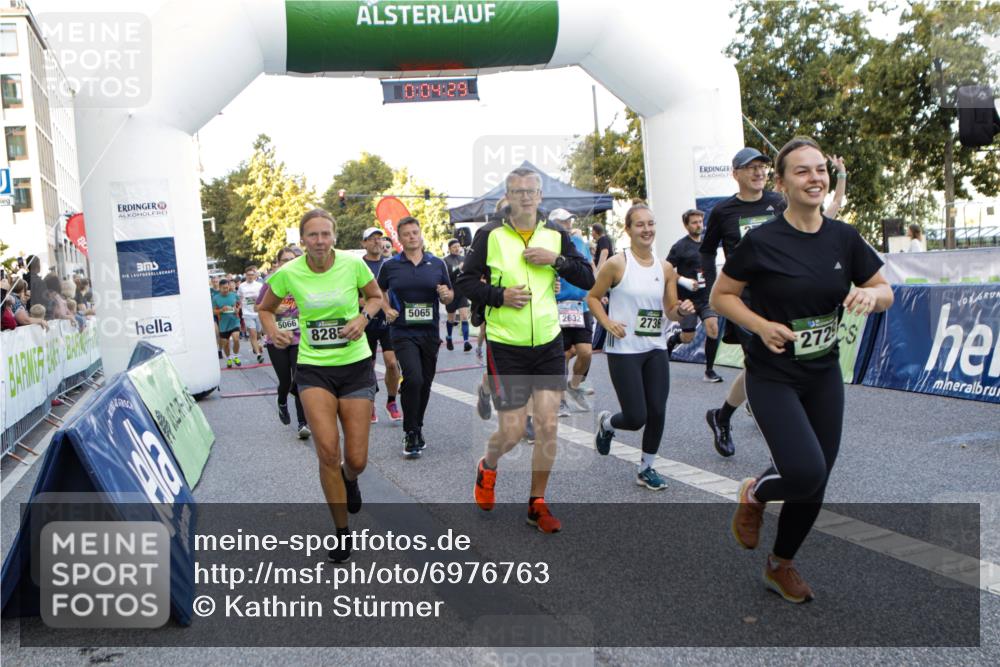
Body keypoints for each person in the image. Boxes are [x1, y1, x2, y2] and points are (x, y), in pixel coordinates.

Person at [710, 136, 892, 603]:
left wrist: (872, 296)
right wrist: (758, 325)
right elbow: (722, 296)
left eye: (820, 170)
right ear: (782, 183)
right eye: (802, 171)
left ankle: (780, 564)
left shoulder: (843, 237)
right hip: (772, 374)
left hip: (823, 373)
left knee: (818, 478)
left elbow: (883, 288)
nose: (815, 178)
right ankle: (754, 493)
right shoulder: (762, 241)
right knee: (805, 470)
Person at [455, 167, 594, 533]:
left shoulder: (555, 235)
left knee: (548, 424)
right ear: (509, 196)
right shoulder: (490, 235)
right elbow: (465, 281)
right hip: (506, 346)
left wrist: (557, 261)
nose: (526, 197)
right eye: (518, 192)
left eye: (531, 191)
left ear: (540, 195)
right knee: (514, 432)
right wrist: (500, 296)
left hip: (549, 341)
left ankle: (537, 503)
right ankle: (488, 464)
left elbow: (587, 277)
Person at [701, 147, 847, 458]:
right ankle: (786, 447)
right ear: (735, 173)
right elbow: (706, 253)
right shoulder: (723, 212)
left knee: (761, 365)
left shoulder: (779, 202)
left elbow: (812, 226)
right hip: (744, 299)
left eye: (762, 167)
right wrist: (709, 304)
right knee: (764, 359)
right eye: (749, 167)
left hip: (781, 292)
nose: (757, 173)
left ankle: (724, 415)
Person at [259, 209, 383, 563]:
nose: (319, 241)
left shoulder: (353, 265)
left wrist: (363, 317)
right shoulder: (289, 273)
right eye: (312, 235)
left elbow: (375, 298)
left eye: (325, 234)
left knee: (355, 459)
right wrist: (272, 331)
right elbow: (265, 308)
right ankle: (342, 532)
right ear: (303, 240)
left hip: (356, 365)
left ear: (334, 236)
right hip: (314, 369)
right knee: (328, 451)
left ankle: (350, 478)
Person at [589, 203, 695, 490]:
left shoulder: (666, 268)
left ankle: (646, 468)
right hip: (624, 349)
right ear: (628, 230)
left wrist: (681, 311)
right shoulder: (617, 264)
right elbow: (593, 298)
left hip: (655, 347)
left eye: (651, 223)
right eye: (640, 224)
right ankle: (608, 424)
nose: (647, 229)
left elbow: (670, 310)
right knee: (636, 417)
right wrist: (608, 322)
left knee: (657, 411)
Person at [377, 217, 454, 457]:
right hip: (402, 331)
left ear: (421, 235)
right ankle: (410, 432)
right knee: (414, 378)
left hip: (429, 332)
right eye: (406, 234)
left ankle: (417, 426)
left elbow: (450, 295)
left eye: (415, 232)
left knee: (425, 382)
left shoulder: (437, 263)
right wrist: (387, 308)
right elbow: (378, 291)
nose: (412, 236)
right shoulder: (390, 266)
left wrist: (445, 295)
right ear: (399, 239)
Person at [257, 245, 310, 438]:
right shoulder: (271, 282)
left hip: (299, 338)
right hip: (276, 338)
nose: (289, 263)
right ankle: (281, 401)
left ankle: (302, 423)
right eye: (285, 260)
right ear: (278, 263)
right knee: (286, 382)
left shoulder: (304, 280)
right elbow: (259, 307)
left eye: (292, 259)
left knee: (299, 379)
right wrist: (274, 308)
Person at [666, 209, 723, 382]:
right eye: (694, 222)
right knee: (688, 338)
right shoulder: (680, 247)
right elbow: (666, 271)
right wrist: (683, 280)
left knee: (712, 328)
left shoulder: (708, 244)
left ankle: (709, 371)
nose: (699, 225)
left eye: (700, 221)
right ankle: (673, 340)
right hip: (688, 300)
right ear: (686, 225)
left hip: (707, 298)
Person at [549, 208, 594, 415]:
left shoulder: (579, 243)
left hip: (580, 305)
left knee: (585, 352)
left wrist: (597, 290)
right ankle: (559, 399)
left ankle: (574, 387)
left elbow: (589, 268)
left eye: (569, 221)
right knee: (563, 354)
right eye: (563, 222)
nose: (568, 225)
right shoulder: (548, 244)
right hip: (557, 305)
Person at [360, 227, 402, 424]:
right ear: (364, 244)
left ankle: (392, 401)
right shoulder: (357, 266)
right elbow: (353, 296)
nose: (377, 242)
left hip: (388, 322)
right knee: (367, 366)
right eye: (372, 239)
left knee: (392, 363)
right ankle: (370, 404)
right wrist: (372, 303)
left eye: (379, 238)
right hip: (366, 322)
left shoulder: (391, 264)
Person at [443, 238, 472, 352]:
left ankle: (466, 342)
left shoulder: (464, 259)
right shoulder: (445, 261)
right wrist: (458, 270)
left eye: (458, 246)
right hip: (451, 292)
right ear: (449, 249)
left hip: (462, 292)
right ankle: (449, 337)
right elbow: (447, 277)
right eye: (454, 247)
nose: (457, 248)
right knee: (451, 318)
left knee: (464, 316)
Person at [212, 278, 242, 367]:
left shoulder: (233, 295)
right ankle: (229, 358)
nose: (226, 290)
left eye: (227, 287)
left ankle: (236, 356)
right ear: (220, 288)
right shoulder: (216, 298)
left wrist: (238, 308)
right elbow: (213, 311)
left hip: (234, 321)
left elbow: (239, 303)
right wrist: (221, 310)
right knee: (225, 343)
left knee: (236, 338)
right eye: (224, 288)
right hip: (223, 324)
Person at [238, 266, 265, 363]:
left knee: (258, 333)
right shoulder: (242, 286)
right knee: (252, 334)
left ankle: (256, 345)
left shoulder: (259, 285)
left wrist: (256, 301)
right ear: (245, 275)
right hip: (247, 314)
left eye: (252, 275)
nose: (250, 276)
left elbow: (263, 298)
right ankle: (258, 355)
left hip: (257, 313)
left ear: (255, 275)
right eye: (248, 275)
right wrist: (242, 307)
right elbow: (240, 297)